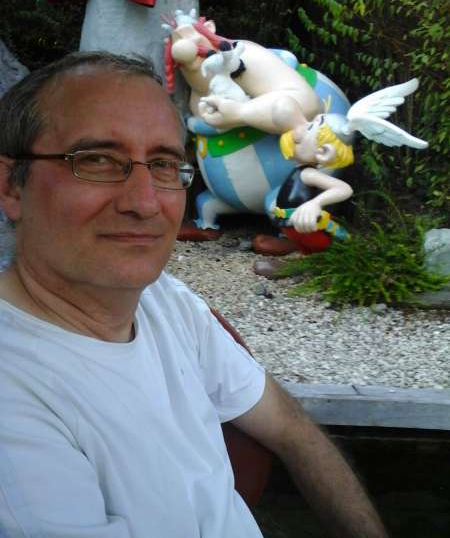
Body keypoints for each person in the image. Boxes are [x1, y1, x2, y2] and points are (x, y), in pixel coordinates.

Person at [0, 52, 389, 538]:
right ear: (10, 187)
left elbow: (291, 428)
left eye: (163, 164)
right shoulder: (13, 396)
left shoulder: (165, 301)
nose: (146, 202)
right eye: (97, 160)